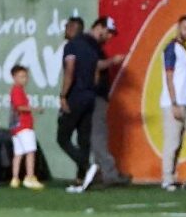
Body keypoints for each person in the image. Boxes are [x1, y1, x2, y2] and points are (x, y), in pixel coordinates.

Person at [59, 16, 116, 192]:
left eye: (68, 27)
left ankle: (88, 165)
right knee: (84, 139)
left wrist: (63, 95)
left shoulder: (72, 46)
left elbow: (70, 69)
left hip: (76, 95)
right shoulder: (92, 49)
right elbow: (96, 73)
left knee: (62, 137)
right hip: (90, 96)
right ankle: (82, 177)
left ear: (72, 28)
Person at [160, 15, 186, 191]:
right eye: (185, 28)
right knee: (171, 143)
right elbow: (169, 75)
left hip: (184, 102)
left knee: (178, 144)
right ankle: (166, 178)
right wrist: (174, 102)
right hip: (173, 102)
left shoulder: (184, 49)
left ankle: (172, 175)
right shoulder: (172, 48)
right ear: (178, 27)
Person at [90, 28, 129, 188]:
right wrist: (113, 61)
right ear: (99, 29)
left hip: (96, 97)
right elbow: (95, 66)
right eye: (108, 33)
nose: (109, 38)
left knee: (98, 135)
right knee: (98, 135)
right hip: (95, 97)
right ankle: (109, 172)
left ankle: (97, 171)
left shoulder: (94, 47)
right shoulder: (91, 47)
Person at [8, 65, 45, 190]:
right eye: (21, 77)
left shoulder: (17, 90)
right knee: (30, 151)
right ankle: (29, 177)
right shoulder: (17, 90)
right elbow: (20, 107)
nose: (24, 79)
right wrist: (35, 109)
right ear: (14, 77)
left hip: (16, 127)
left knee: (18, 153)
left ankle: (15, 178)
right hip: (23, 125)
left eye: (25, 77)